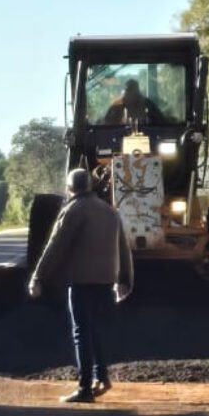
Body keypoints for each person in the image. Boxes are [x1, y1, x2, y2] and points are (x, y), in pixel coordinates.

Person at [28, 168, 134, 403]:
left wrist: (38, 277)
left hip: (81, 280)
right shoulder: (110, 211)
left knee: (81, 333)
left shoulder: (74, 210)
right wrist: (125, 279)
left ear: (70, 188)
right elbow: (123, 247)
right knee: (95, 329)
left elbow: (56, 246)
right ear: (91, 186)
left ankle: (85, 388)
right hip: (106, 280)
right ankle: (102, 377)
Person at [102, 79, 167, 127]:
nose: (131, 93)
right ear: (125, 91)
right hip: (120, 138)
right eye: (129, 89)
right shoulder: (116, 106)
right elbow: (106, 125)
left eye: (133, 89)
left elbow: (161, 122)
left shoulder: (149, 105)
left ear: (137, 90)